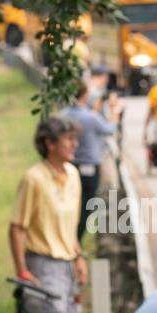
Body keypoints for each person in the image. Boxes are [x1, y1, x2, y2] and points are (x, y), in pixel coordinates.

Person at [10, 115, 86, 313]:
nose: (74, 144)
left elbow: (71, 227)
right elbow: (17, 226)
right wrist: (23, 270)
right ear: (49, 143)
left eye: (74, 139)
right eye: (67, 139)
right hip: (43, 263)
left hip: (68, 264)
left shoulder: (73, 175)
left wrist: (79, 256)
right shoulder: (34, 178)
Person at [61, 80, 121, 244]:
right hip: (89, 169)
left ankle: (69, 238)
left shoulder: (64, 114)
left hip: (69, 165)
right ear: (84, 95)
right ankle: (76, 240)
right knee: (87, 206)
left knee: (71, 203)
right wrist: (115, 113)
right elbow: (109, 130)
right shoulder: (91, 117)